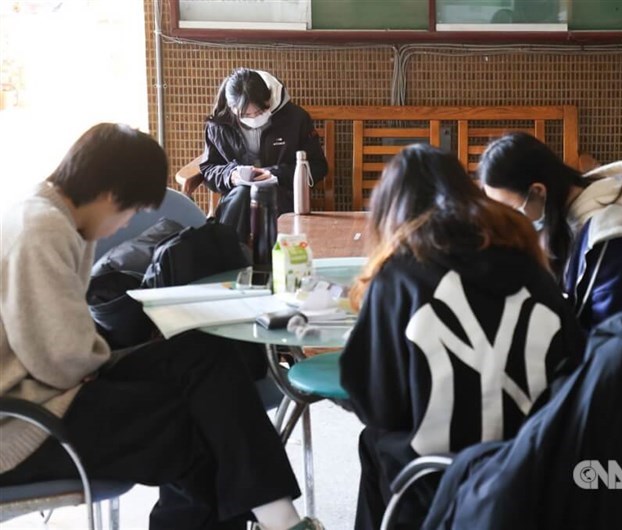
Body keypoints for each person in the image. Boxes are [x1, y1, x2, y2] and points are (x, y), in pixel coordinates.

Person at [0, 123, 322, 530]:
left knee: (201, 350)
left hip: (52, 396)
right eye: (131, 211)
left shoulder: (49, 216)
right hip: (26, 423)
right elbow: (63, 357)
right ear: (109, 194)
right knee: (202, 424)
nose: (124, 225)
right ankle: (281, 520)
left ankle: (280, 520)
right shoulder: (42, 228)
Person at [339, 144, 585, 529]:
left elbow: (376, 403)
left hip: (438, 483)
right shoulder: (532, 267)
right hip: (536, 474)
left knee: (375, 441)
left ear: (392, 213)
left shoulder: (401, 275)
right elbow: (573, 370)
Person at [478, 131, 622, 332]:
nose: (511, 222)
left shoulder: (613, 244)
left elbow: (618, 344)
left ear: (538, 191)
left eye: (512, 211)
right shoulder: (566, 215)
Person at [200, 68, 328, 242]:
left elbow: (318, 166)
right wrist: (231, 175)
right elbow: (209, 169)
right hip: (236, 197)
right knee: (243, 192)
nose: (253, 118)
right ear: (232, 108)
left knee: (258, 194)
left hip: (282, 194)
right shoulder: (219, 124)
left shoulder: (295, 119)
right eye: (245, 115)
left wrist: (275, 174)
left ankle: (232, 257)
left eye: (260, 112)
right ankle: (233, 257)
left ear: (269, 99)